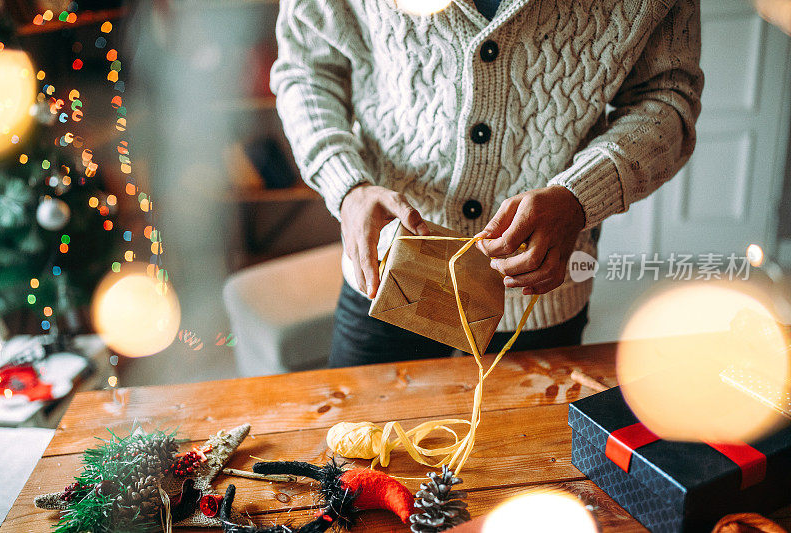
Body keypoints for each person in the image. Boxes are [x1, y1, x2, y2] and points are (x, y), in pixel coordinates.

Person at [270, 0, 703, 367]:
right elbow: (306, 70)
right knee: (355, 454)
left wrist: (579, 195)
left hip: (535, 295)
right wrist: (347, 185)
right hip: (387, 271)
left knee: (526, 462)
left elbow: (667, 97)